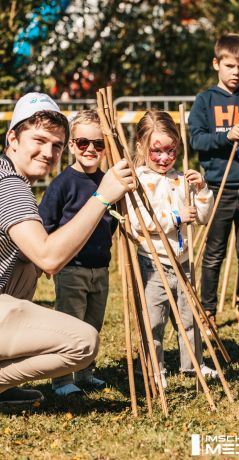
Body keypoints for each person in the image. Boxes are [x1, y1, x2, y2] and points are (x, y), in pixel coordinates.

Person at [0, 92, 134, 406]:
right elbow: (49, 258)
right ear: (13, 138)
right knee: (83, 342)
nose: (48, 152)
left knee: (25, 264)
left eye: (57, 145)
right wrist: (101, 198)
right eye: (39, 140)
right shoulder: (10, 187)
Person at [128, 110, 217, 388]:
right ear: (142, 147)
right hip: (152, 262)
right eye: (157, 151)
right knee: (154, 321)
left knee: (189, 318)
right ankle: (154, 369)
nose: (165, 158)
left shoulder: (182, 179)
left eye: (171, 150)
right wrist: (176, 218)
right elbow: (138, 222)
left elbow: (202, 216)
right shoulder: (139, 181)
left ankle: (193, 364)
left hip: (183, 261)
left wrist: (202, 191)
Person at [188, 33, 239, 332]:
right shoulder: (205, 99)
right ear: (216, 64)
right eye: (231, 65)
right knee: (214, 251)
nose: (236, 72)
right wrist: (226, 136)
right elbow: (197, 139)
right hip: (218, 186)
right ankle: (207, 309)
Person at [39, 110, 117, 396]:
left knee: (93, 325)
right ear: (71, 146)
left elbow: (112, 223)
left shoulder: (108, 182)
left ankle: (85, 373)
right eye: (83, 143)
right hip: (72, 268)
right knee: (70, 324)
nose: (90, 149)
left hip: (101, 269)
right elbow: (45, 225)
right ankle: (62, 379)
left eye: (98, 144)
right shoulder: (62, 184)